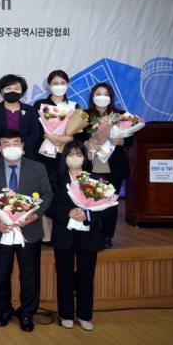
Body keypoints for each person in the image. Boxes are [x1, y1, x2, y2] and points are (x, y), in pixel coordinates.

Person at [0, 129, 52, 332]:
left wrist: (34, 217)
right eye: (6, 143)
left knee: (30, 274)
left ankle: (27, 313)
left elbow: (47, 195)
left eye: (15, 143)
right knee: (1, 274)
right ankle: (3, 311)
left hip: (29, 231)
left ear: (22, 146)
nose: (11, 147)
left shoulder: (37, 168)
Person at [50, 140, 103, 331]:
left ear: (85, 157)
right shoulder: (55, 179)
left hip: (88, 234)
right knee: (64, 275)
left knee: (86, 276)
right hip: (64, 233)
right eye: (70, 155)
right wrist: (68, 213)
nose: (75, 158)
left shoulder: (94, 179)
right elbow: (49, 207)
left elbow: (106, 207)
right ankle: (65, 314)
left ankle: (84, 315)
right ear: (64, 157)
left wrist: (87, 215)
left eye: (79, 154)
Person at [32, 70, 80, 245]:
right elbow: (34, 129)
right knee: (44, 190)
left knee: (64, 190)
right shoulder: (40, 104)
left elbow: (80, 132)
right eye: (55, 83)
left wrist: (69, 138)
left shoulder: (75, 106)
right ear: (49, 85)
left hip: (65, 155)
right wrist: (48, 135)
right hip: (44, 155)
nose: (59, 86)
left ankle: (65, 230)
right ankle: (46, 233)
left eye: (62, 83)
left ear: (68, 85)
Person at [83, 82, 134, 249]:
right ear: (92, 96)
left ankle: (107, 234)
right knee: (92, 199)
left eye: (106, 94)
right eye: (98, 94)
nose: (102, 97)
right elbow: (76, 137)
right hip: (92, 163)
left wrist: (121, 141)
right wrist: (87, 142)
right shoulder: (84, 115)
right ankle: (92, 232)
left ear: (111, 97)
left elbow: (131, 139)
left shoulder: (120, 115)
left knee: (111, 201)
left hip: (114, 165)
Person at [0, 74, 42, 162]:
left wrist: (20, 148)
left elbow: (34, 133)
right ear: (2, 91)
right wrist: (4, 148)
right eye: (8, 88)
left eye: (16, 88)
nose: (13, 91)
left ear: (22, 91)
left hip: (25, 154)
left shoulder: (30, 110)